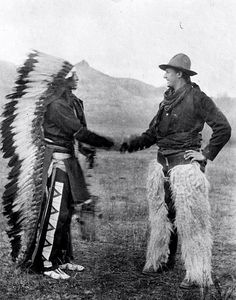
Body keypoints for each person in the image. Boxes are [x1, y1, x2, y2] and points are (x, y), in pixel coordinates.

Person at [120, 53, 231, 289]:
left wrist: (206, 154)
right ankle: (160, 261)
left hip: (185, 169)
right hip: (162, 167)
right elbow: (152, 134)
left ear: (179, 74)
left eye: (168, 72)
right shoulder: (166, 103)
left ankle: (197, 274)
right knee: (162, 218)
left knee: (191, 222)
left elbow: (223, 127)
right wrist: (127, 144)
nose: (164, 75)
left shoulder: (198, 98)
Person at [1, 51, 114, 280]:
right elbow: (78, 131)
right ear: (63, 79)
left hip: (68, 160)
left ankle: (63, 259)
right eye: (73, 75)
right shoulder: (56, 105)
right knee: (56, 211)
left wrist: (86, 149)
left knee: (67, 211)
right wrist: (110, 143)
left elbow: (75, 134)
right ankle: (46, 262)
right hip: (58, 164)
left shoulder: (71, 102)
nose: (77, 78)